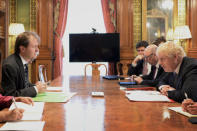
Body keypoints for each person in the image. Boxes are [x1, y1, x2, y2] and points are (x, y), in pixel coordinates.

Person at [1, 31, 47, 97]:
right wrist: (36, 89)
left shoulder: (23, 62)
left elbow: (24, 85)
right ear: (22, 49)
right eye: (34, 47)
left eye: (37, 47)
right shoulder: (10, 65)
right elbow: (10, 95)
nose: (37, 50)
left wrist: (37, 86)